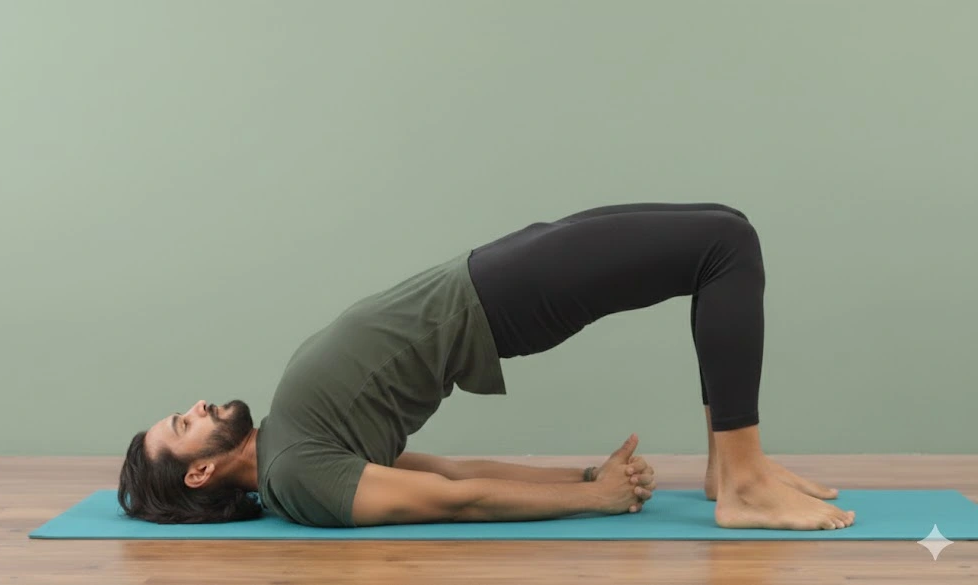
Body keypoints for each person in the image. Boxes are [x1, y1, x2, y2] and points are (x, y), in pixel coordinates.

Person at [118, 202, 855, 530]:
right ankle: (744, 480)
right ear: (199, 473)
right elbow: (450, 502)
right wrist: (590, 503)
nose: (200, 405)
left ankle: (732, 469)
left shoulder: (291, 444)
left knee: (721, 232)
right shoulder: (297, 477)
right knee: (724, 246)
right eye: (184, 424)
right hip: (498, 298)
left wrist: (582, 478)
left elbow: (444, 469)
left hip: (488, 279)